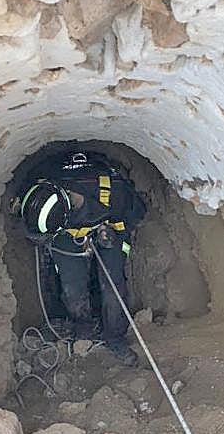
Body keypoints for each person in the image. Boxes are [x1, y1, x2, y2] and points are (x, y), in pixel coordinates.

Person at [11, 152, 146, 366]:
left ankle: (114, 335)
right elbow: (22, 202)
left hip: (110, 226)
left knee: (112, 284)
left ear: (68, 213)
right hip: (65, 234)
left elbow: (137, 214)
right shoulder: (40, 180)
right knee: (72, 285)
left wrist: (114, 234)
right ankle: (83, 327)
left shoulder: (115, 193)